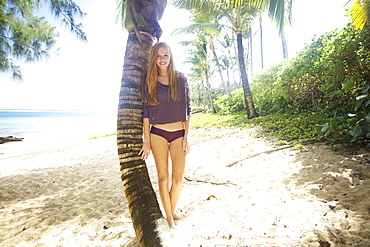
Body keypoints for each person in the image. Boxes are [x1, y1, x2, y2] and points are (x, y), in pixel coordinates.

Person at [139, 42, 191, 229]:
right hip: (157, 133)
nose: (162, 60)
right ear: (154, 58)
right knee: (163, 177)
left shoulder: (181, 80)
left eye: (165, 56)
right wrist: (146, 141)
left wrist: (186, 137)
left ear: (171, 57)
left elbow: (187, 110)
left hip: (178, 134)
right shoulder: (149, 81)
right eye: (159, 56)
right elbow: (146, 113)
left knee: (178, 179)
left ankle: (171, 209)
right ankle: (169, 218)